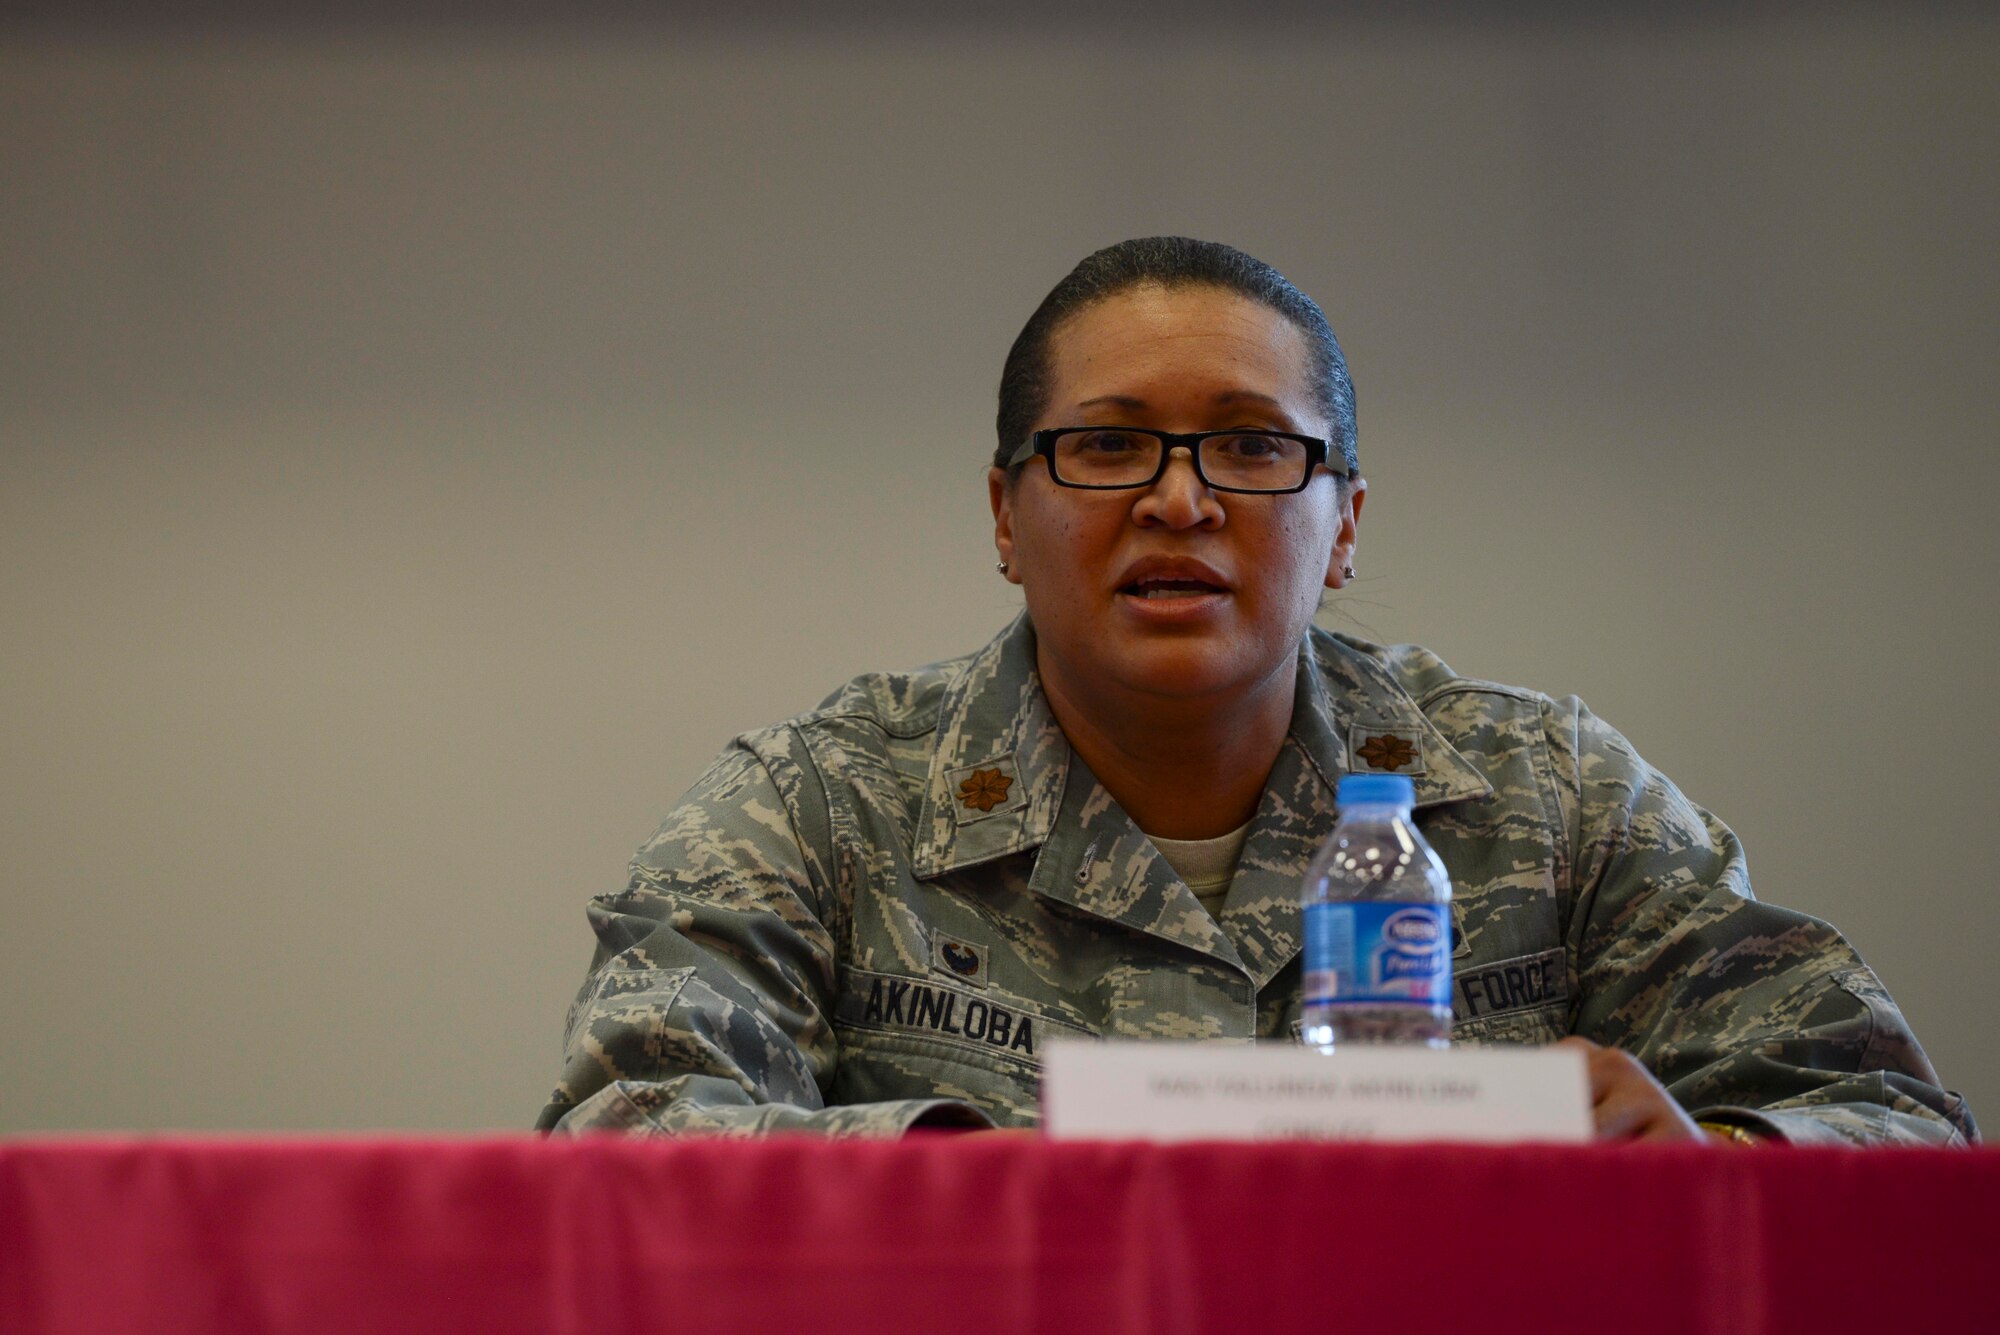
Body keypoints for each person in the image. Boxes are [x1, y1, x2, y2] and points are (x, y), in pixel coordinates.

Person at [536, 237, 1973, 1146]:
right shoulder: (822, 805)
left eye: (1251, 449)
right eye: (1106, 448)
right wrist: (972, 1188)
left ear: (1344, 525)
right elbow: (630, 1127)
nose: (1179, 503)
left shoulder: (1547, 793)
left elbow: (1898, 1121)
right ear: (1002, 513)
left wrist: (1712, 1165)